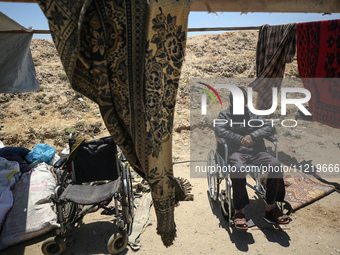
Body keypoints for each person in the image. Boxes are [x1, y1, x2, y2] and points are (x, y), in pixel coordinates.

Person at [215, 87, 289, 230]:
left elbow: (269, 128)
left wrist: (253, 136)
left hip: (257, 152)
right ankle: (239, 211)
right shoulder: (224, 115)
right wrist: (240, 139)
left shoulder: (253, 115)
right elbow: (220, 130)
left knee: (275, 164)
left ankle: (271, 205)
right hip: (236, 152)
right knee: (237, 169)